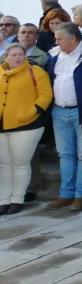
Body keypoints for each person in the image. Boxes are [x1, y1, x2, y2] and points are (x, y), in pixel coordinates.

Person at [45, 23, 82, 211]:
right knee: (65, 154)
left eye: (59, 38)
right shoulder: (53, 55)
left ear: (73, 39)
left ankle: (80, 195)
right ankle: (66, 194)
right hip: (59, 111)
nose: (56, 41)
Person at [0, 43, 52, 215]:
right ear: (6, 57)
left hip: (27, 125)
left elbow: (45, 94)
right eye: (13, 55)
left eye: (20, 54)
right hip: (2, 126)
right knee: (5, 165)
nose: (17, 58)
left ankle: (17, 198)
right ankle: (4, 199)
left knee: (20, 163)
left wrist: (33, 111)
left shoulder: (35, 71)